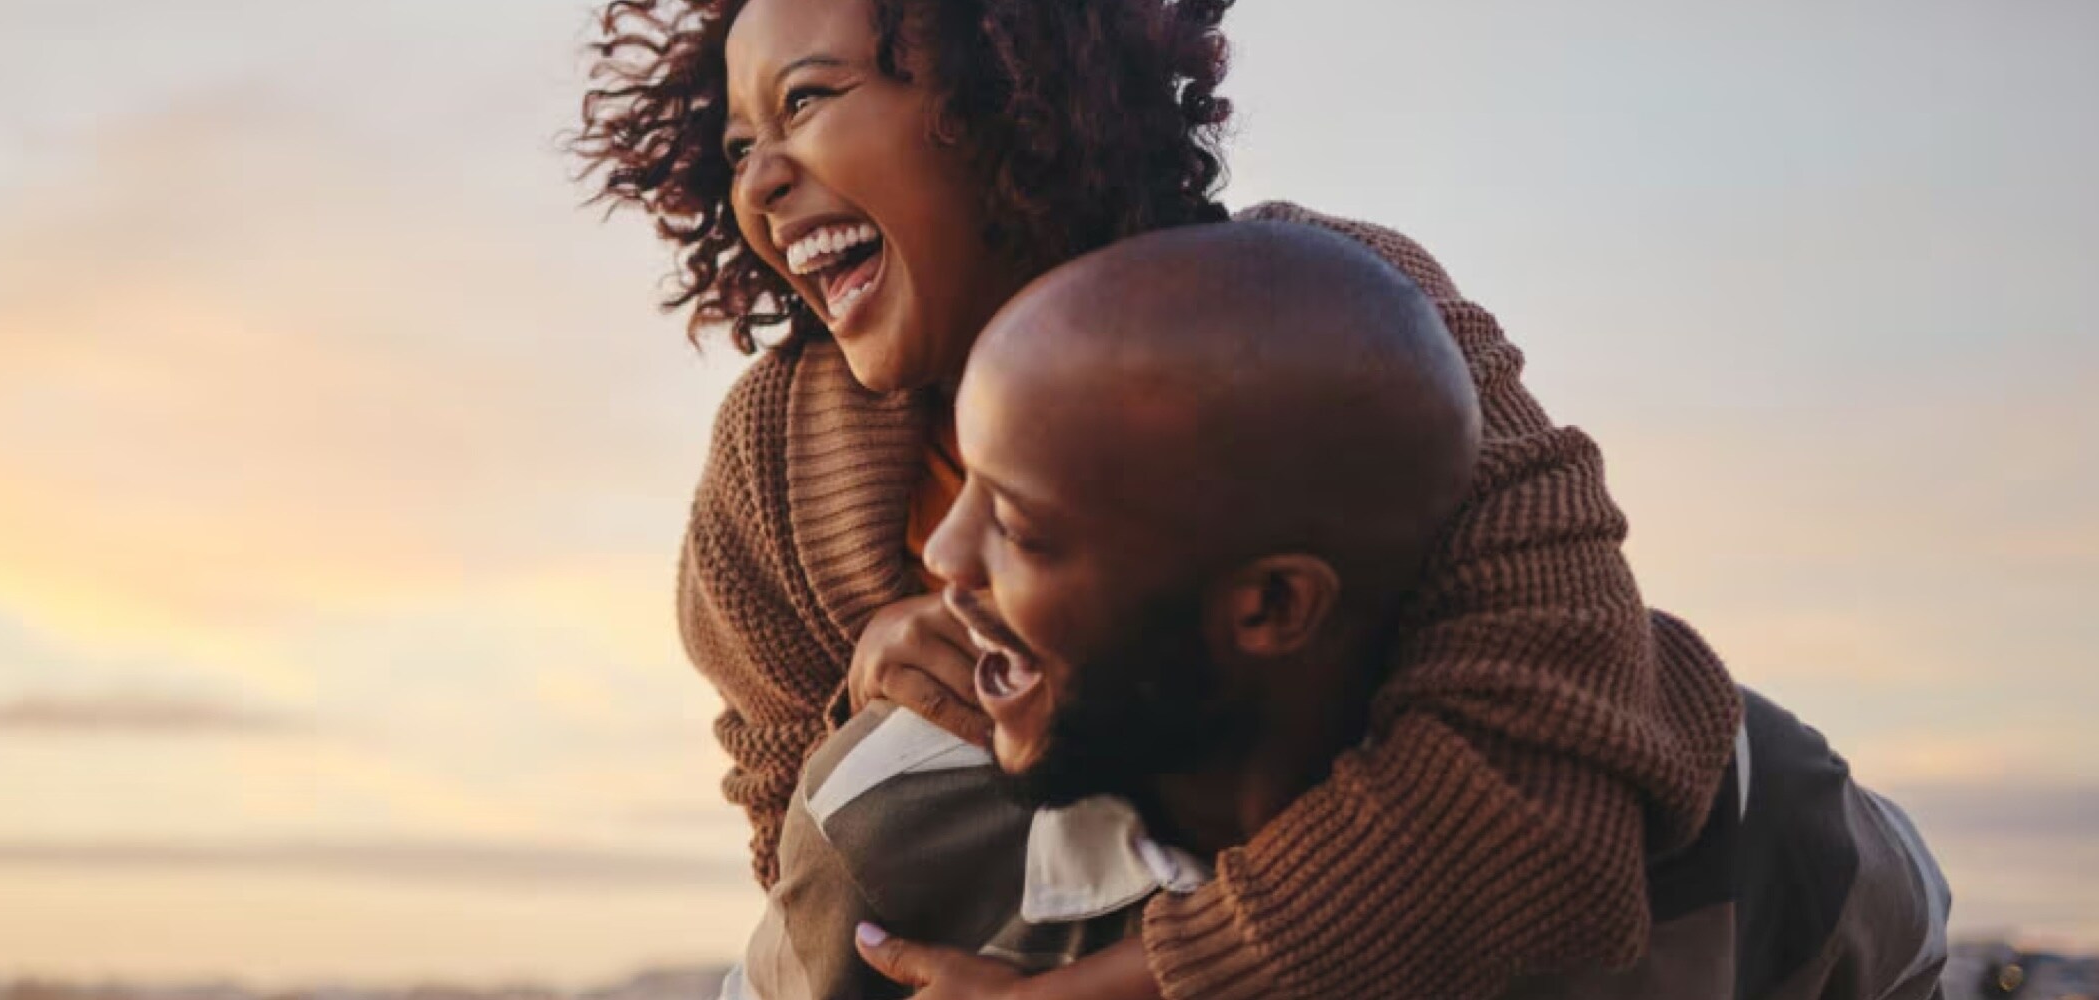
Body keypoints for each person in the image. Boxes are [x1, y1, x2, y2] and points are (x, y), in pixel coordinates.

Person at [575, 0, 1743, 995]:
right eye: (736, 148)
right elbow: (810, 876)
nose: (764, 179)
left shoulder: (1340, 325)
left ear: (1002, 86)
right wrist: (862, 689)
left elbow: (1546, 810)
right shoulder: (773, 465)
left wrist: (1138, 989)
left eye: (808, 100)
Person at [847, 221, 1951, 1000]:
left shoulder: (1758, 833)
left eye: (1025, 530)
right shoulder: (888, 821)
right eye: (965, 486)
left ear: (1275, 603)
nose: (941, 560)